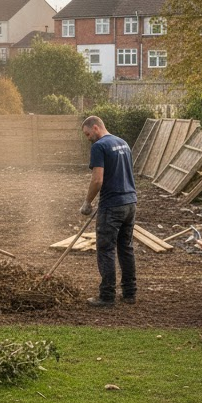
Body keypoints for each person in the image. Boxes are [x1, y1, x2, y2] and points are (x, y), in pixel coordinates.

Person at [80, 115, 137, 306]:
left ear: (95, 128)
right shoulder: (123, 143)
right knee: (126, 249)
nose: (88, 138)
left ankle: (107, 296)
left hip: (112, 206)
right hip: (130, 203)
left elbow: (97, 180)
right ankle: (129, 293)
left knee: (105, 250)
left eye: (88, 134)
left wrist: (87, 202)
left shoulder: (99, 146)